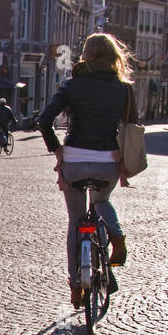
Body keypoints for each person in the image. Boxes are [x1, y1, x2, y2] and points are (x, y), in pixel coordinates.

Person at [38, 32, 139, 310]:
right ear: (113, 56)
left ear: (86, 56)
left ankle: (75, 286)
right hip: (107, 161)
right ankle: (116, 238)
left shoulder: (72, 86)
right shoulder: (123, 89)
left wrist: (57, 149)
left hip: (74, 161)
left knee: (76, 221)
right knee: (102, 201)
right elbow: (133, 125)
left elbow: (44, 120)